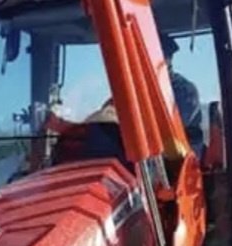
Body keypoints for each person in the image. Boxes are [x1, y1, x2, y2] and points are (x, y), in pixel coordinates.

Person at [49, 34, 204, 165]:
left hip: (177, 168)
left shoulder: (184, 91)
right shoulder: (130, 92)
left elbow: (164, 131)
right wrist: (67, 127)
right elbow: (105, 119)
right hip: (138, 164)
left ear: (167, 59)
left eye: (149, 55)